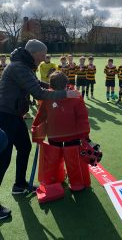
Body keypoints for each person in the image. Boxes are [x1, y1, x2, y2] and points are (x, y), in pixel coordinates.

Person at [0, 39, 78, 220]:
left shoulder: (24, 65)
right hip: (4, 115)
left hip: (14, 115)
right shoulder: (19, 67)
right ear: (35, 54)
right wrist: (66, 94)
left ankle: (19, 185)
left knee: (24, 147)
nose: (43, 59)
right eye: (42, 56)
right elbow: (38, 93)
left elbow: (37, 84)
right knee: (3, 158)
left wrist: (58, 87)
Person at [32, 71, 91, 192]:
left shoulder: (49, 96)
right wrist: (85, 134)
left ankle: (56, 180)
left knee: (54, 158)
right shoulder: (75, 95)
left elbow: (41, 114)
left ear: (50, 86)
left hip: (55, 134)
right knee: (72, 159)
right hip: (70, 134)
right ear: (66, 84)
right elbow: (82, 116)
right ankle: (76, 183)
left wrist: (35, 127)